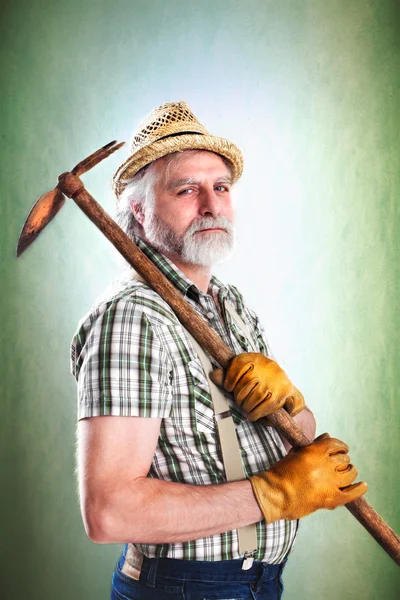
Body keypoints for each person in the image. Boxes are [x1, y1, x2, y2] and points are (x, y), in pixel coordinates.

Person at [70, 101, 367, 600]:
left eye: (221, 187)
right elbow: (109, 512)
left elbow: (289, 442)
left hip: (259, 584)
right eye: (187, 188)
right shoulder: (131, 319)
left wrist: (292, 404)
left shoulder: (227, 302)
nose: (211, 204)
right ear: (139, 212)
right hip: (185, 589)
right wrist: (276, 494)